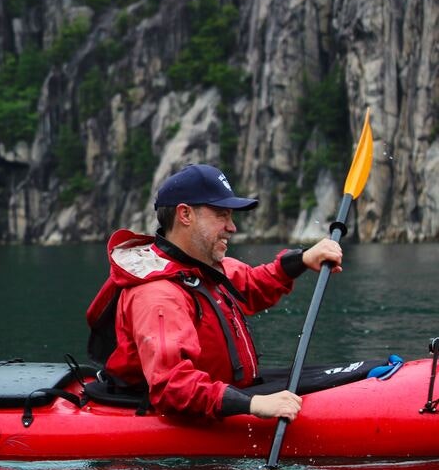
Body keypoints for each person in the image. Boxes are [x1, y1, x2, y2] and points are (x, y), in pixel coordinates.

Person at [86, 164, 343, 421]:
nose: (232, 227)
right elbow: (172, 386)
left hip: (225, 393)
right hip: (172, 411)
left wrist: (302, 259)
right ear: (185, 214)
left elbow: (252, 286)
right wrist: (253, 405)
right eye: (222, 215)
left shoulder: (202, 268)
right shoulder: (157, 296)